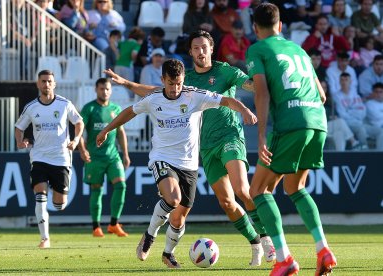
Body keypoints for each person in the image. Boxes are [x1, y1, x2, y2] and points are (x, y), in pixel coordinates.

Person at [104, 30, 277, 267]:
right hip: (203, 147)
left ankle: (268, 240)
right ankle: (255, 242)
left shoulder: (224, 70)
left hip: (229, 137)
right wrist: (126, 83)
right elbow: (156, 93)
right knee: (226, 202)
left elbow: (247, 85)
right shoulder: (186, 81)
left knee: (241, 189)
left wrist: (266, 87)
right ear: (190, 52)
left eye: (204, 47)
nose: (200, 51)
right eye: (196, 48)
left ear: (211, 49)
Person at [245, 3, 337, 275]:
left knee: (259, 191)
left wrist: (261, 134)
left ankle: (284, 259)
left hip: (290, 123)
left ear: (254, 27)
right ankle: (323, 249)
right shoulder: (298, 50)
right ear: (280, 26)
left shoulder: (257, 49)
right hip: (317, 122)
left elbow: (261, 93)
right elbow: (321, 95)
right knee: (295, 188)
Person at [15, 70, 84, 248]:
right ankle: (45, 238)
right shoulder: (31, 107)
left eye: (49, 81)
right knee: (40, 197)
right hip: (39, 157)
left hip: (61, 159)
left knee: (59, 205)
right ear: (38, 84)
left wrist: (75, 140)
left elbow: (79, 122)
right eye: (43, 81)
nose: (46, 84)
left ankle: (55, 186)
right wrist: (20, 141)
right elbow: (19, 127)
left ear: (54, 84)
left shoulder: (64, 104)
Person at [78, 78, 130, 238]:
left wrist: (126, 154)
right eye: (101, 89)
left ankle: (114, 224)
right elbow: (79, 131)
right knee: (96, 190)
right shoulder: (89, 108)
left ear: (111, 90)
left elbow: (121, 133)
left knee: (121, 186)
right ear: (96, 89)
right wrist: (82, 149)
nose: (105, 92)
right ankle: (96, 227)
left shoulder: (115, 108)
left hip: (113, 156)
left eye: (107, 89)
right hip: (94, 157)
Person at [334, 73, 383, 150]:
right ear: (339, 82)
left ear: (350, 81)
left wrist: (349, 110)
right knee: (360, 128)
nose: (344, 82)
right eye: (342, 80)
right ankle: (364, 151)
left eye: (346, 80)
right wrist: (354, 111)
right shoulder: (337, 96)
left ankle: (380, 155)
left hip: (360, 122)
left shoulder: (356, 95)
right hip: (348, 124)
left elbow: (362, 112)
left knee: (380, 131)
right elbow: (342, 115)